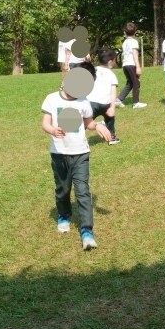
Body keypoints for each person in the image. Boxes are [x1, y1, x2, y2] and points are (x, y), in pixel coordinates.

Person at [41, 79, 114, 250]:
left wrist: (98, 126)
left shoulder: (84, 102)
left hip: (81, 152)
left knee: (82, 191)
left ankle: (87, 231)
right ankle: (64, 215)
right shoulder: (52, 99)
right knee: (63, 189)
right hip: (59, 153)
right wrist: (53, 130)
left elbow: (89, 123)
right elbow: (45, 123)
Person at [84, 54, 121, 144]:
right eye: (114, 60)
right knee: (110, 120)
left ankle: (77, 139)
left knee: (85, 121)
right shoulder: (112, 75)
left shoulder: (93, 70)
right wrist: (112, 107)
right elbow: (113, 92)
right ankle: (111, 137)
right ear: (110, 62)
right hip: (106, 104)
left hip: (91, 102)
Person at [116, 22, 146, 108]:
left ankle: (118, 100)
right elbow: (134, 55)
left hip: (125, 65)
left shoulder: (125, 42)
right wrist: (138, 67)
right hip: (131, 64)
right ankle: (136, 103)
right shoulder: (134, 42)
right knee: (136, 83)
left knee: (130, 83)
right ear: (135, 31)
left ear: (124, 32)